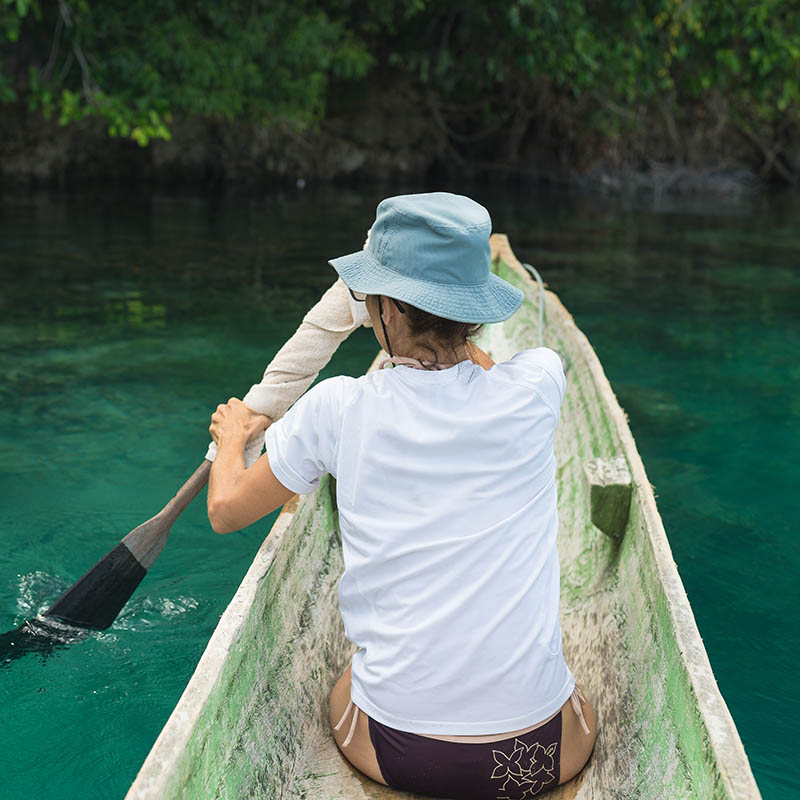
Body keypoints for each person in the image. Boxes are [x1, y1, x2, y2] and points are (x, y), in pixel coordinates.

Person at [207, 192, 597, 799]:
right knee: (578, 698)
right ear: (474, 310)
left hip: (406, 755)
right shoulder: (538, 382)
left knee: (344, 685)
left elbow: (226, 511)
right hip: (540, 753)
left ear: (383, 308)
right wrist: (415, 323)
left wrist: (234, 436)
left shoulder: (338, 408)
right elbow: (477, 362)